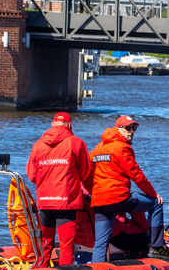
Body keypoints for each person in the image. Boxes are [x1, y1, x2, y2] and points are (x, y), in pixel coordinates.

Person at [89, 115, 168, 262]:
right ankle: (156, 247)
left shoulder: (97, 149)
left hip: (99, 200)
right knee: (156, 204)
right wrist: (153, 193)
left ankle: (96, 266)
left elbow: (87, 173)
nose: (132, 131)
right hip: (118, 198)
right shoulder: (122, 147)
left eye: (134, 128)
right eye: (128, 128)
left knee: (100, 244)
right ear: (118, 129)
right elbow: (137, 175)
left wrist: (93, 193)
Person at [26, 111, 91, 266]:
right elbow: (85, 172)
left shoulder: (38, 145)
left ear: (52, 124)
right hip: (66, 202)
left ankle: (41, 268)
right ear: (69, 125)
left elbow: (31, 175)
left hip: (45, 202)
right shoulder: (76, 143)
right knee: (66, 246)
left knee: (45, 244)